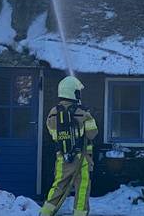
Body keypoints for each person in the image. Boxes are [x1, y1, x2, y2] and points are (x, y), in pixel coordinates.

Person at [41, 76, 99, 216]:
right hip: (83, 158)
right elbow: (92, 134)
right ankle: (79, 213)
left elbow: (51, 133)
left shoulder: (53, 113)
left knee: (58, 186)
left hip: (62, 157)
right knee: (82, 187)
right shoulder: (83, 113)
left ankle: (45, 212)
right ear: (74, 93)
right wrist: (90, 118)